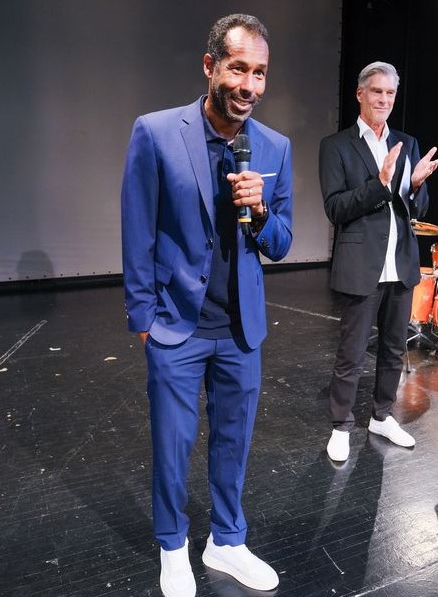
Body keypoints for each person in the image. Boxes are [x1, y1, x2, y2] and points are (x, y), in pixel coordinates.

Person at [120, 14, 292, 597]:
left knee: (234, 440)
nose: (249, 85)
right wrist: (142, 318)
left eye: (260, 73)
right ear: (210, 66)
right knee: (173, 442)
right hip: (177, 326)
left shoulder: (273, 147)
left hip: (241, 328)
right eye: (239, 68)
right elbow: (138, 229)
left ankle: (227, 540)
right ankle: (172, 546)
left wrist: (263, 211)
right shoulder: (157, 132)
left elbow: (282, 242)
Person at [319, 61, 438, 463]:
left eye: (390, 94)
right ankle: (341, 424)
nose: (384, 100)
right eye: (377, 92)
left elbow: (415, 211)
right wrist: (381, 184)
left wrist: (417, 185)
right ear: (360, 94)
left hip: (401, 264)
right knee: (351, 352)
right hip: (361, 265)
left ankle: (382, 415)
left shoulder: (408, 142)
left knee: (394, 350)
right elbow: (336, 208)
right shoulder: (336, 145)